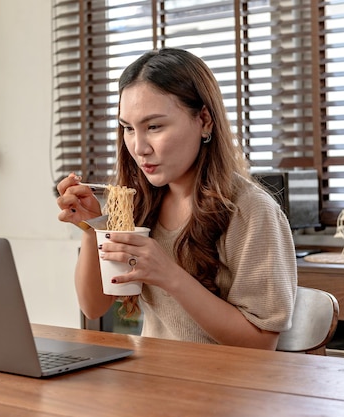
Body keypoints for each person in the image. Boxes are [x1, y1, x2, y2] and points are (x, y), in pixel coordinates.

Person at [56, 48, 296, 350]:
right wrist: (94, 227)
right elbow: (94, 307)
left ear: (205, 120)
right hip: (156, 380)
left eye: (154, 126)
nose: (139, 147)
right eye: (128, 128)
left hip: (228, 390)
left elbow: (260, 345)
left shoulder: (251, 211)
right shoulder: (139, 202)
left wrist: (169, 275)